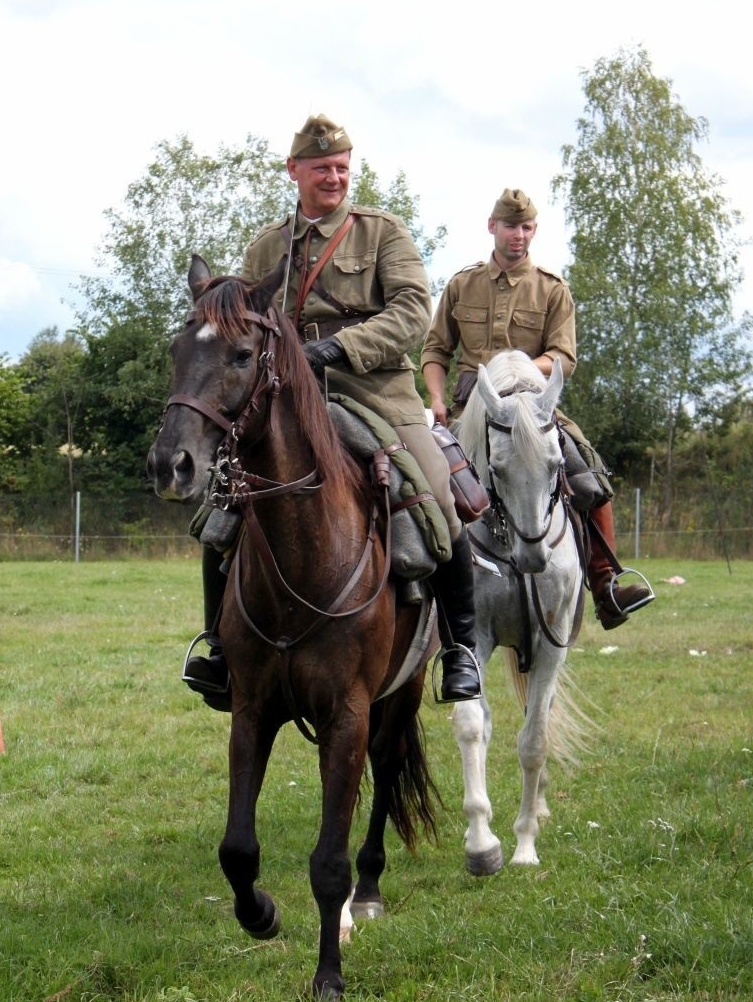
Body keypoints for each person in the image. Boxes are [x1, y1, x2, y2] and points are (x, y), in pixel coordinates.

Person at [184, 113, 481, 704]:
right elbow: (240, 321)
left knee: (442, 504)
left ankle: (460, 650)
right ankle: (218, 648)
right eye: (322, 168)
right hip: (293, 400)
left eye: (342, 168)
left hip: (377, 393)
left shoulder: (382, 233)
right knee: (222, 511)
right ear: (294, 171)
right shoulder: (268, 246)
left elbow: (411, 313)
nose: (334, 177)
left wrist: (338, 346)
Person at [421, 187, 652, 630]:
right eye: (511, 226)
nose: (519, 235)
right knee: (414, 476)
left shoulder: (551, 288)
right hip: (471, 407)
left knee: (586, 465)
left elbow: (564, 357)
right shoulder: (460, 284)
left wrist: (520, 369)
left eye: (527, 227)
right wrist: (435, 401)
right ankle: (413, 586)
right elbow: (435, 350)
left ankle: (605, 584)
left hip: (533, 406)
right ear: (493, 227)